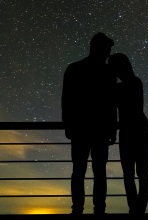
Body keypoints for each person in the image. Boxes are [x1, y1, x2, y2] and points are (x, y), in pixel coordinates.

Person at [61, 32, 117, 216]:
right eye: (107, 49)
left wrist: (68, 125)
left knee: (79, 170)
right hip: (97, 129)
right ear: (99, 48)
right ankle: (98, 210)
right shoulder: (108, 73)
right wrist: (112, 128)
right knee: (98, 171)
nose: (109, 53)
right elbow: (111, 102)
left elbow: (67, 100)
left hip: (80, 128)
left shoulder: (74, 68)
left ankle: (78, 210)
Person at [108, 53, 148, 217]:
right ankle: (136, 210)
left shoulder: (128, 85)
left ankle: (136, 210)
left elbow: (119, 108)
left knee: (134, 174)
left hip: (135, 133)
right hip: (136, 132)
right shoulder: (133, 83)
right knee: (137, 174)